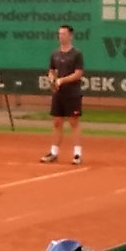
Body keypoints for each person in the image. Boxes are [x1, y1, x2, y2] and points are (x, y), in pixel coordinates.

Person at [41, 24, 85, 165]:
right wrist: (52, 80)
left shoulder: (76, 54)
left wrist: (62, 80)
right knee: (57, 122)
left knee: (73, 122)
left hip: (72, 93)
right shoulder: (55, 54)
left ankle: (77, 154)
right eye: (59, 34)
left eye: (64, 34)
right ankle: (54, 153)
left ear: (70, 36)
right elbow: (51, 71)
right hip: (58, 94)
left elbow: (78, 73)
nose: (61, 36)